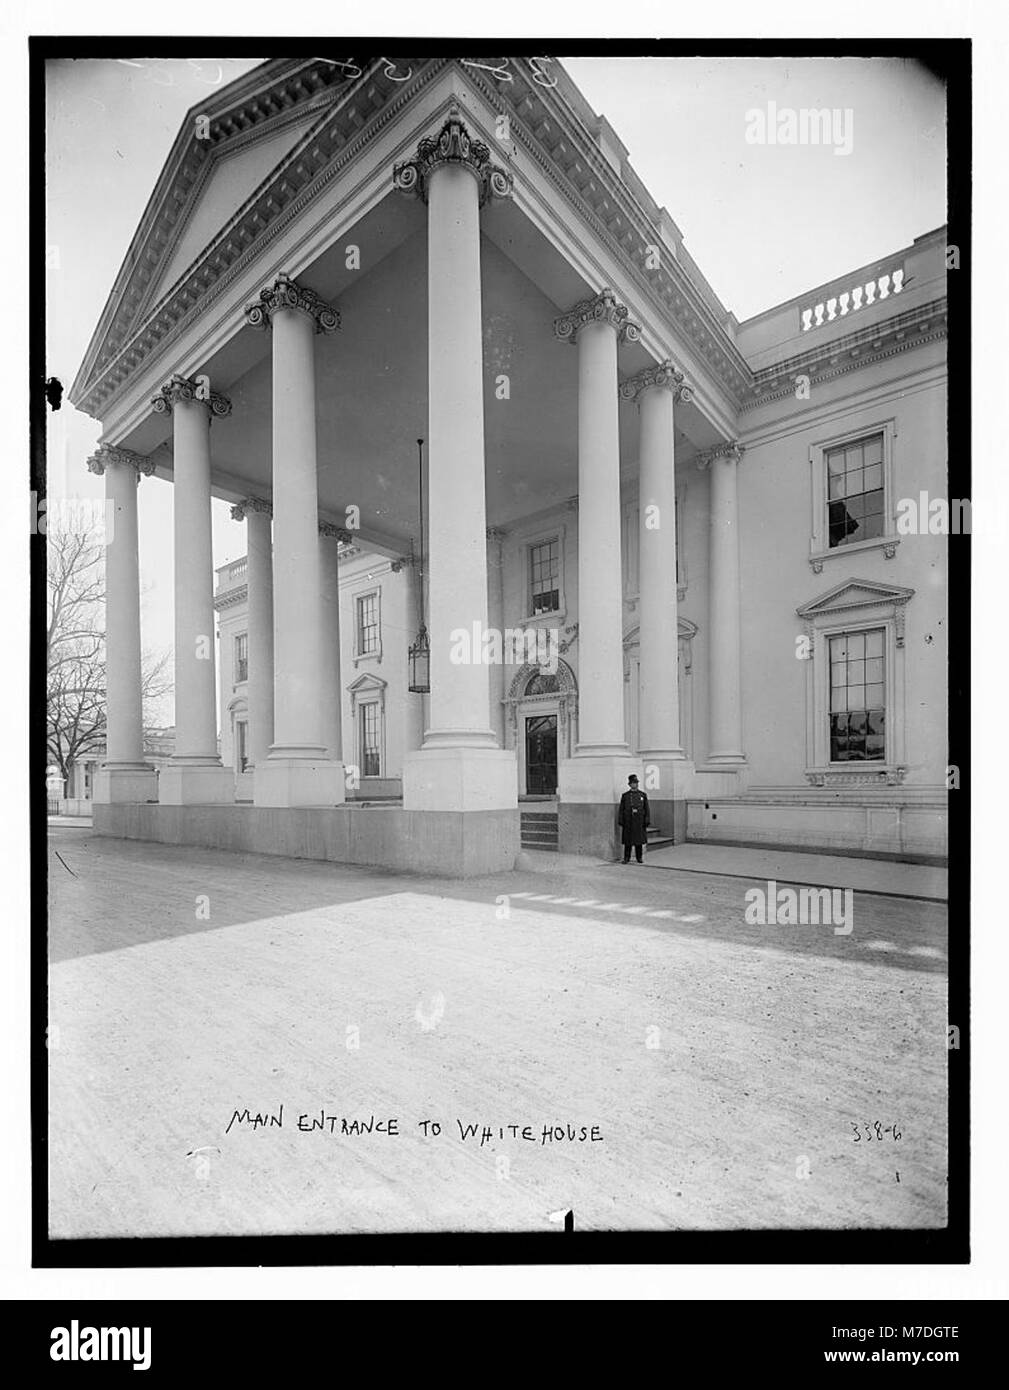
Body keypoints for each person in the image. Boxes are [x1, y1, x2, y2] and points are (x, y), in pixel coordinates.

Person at [617, 774, 650, 863]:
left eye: (635, 783)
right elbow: (621, 808)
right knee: (628, 841)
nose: (634, 784)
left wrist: (647, 819)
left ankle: (639, 857)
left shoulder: (643, 795)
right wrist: (621, 819)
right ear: (630, 784)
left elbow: (646, 808)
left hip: (639, 821)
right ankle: (626, 858)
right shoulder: (625, 796)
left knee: (638, 841)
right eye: (632, 783)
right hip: (628, 821)